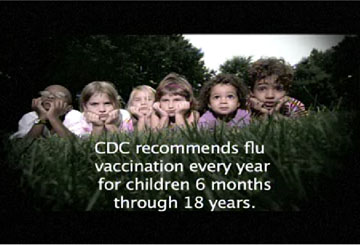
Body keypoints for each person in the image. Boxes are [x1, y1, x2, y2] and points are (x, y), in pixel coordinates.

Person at [10, 84, 80, 139]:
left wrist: (54, 118)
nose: (50, 97)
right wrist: (41, 118)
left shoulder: (75, 116)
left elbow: (74, 143)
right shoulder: (30, 116)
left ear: (69, 107)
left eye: (59, 95)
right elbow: (26, 143)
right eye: (45, 94)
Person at [67, 81, 133, 137]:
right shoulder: (76, 120)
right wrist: (97, 127)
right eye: (94, 104)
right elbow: (86, 150)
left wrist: (111, 125)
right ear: (85, 106)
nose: (102, 109)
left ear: (116, 104)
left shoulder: (124, 116)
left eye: (107, 103)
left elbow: (125, 147)